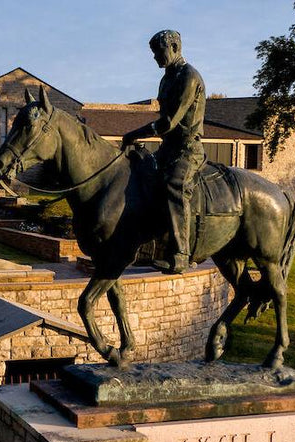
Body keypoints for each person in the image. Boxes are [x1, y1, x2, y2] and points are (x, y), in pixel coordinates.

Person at [122, 30, 206, 274]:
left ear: (174, 47)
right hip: (167, 148)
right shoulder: (166, 79)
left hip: (188, 149)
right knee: (139, 177)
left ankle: (181, 254)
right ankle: (145, 246)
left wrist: (134, 134)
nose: (156, 57)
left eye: (159, 51)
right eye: (153, 53)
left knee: (173, 186)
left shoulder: (189, 76)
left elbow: (169, 122)